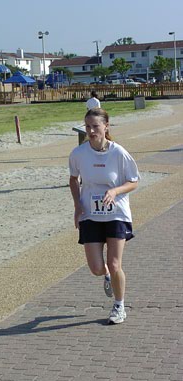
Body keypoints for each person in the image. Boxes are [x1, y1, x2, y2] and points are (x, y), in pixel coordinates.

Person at [69, 107, 139, 324]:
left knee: (115, 263)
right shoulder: (78, 153)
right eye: (87, 126)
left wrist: (114, 191)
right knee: (97, 268)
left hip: (116, 213)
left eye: (95, 126)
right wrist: (77, 205)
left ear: (106, 127)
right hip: (90, 213)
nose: (91, 131)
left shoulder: (119, 153)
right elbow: (73, 179)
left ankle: (119, 306)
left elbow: (133, 181)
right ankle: (107, 275)